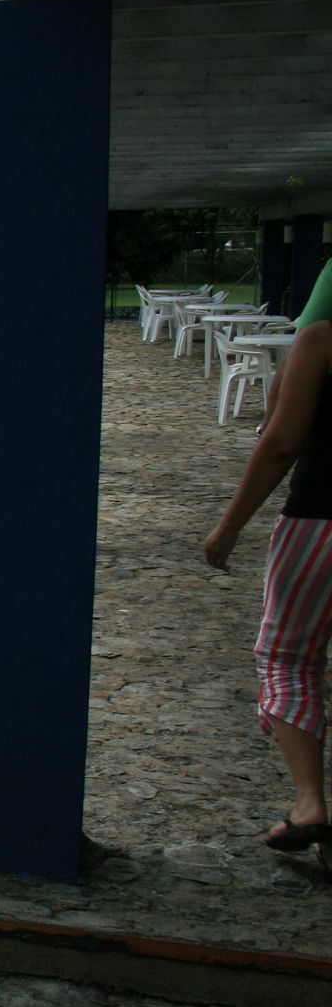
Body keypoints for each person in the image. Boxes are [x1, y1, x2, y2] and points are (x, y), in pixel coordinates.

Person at [204, 315, 332, 854]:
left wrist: (229, 525)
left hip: (320, 521)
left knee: (288, 657)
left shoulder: (321, 341)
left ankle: (309, 803)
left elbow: (280, 440)